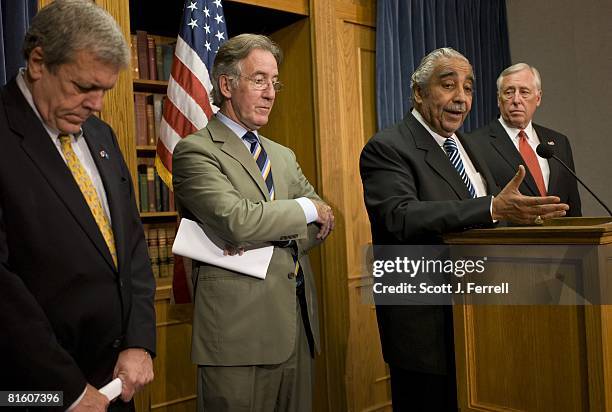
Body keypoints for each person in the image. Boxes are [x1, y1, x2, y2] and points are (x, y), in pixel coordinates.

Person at [359, 48, 569, 411]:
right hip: (427, 326)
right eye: (448, 85)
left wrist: (526, 222)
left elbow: (486, 218)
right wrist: (491, 207)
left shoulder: (470, 146)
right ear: (419, 92)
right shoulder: (388, 147)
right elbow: (401, 216)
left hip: (482, 317)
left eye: (469, 88)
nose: (461, 97)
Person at [0, 1, 156, 411]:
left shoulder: (100, 135)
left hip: (117, 382)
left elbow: (131, 244)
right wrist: (65, 389)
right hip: (35, 391)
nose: (98, 105)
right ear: (38, 61)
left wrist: (140, 341)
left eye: (105, 90)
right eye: (85, 87)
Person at [172, 33, 334, 412]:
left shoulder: (282, 154)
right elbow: (238, 220)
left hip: (296, 328)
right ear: (226, 85)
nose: (271, 92)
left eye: (274, 82)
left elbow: (322, 222)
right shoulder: (196, 151)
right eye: (259, 79)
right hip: (236, 337)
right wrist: (303, 210)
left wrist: (275, 224)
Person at [469, 63, 581, 216]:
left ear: (538, 98)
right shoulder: (475, 143)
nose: (516, 100)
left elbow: (573, 207)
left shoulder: (559, 142)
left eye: (524, 92)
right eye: (509, 92)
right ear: (498, 99)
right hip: (511, 238)